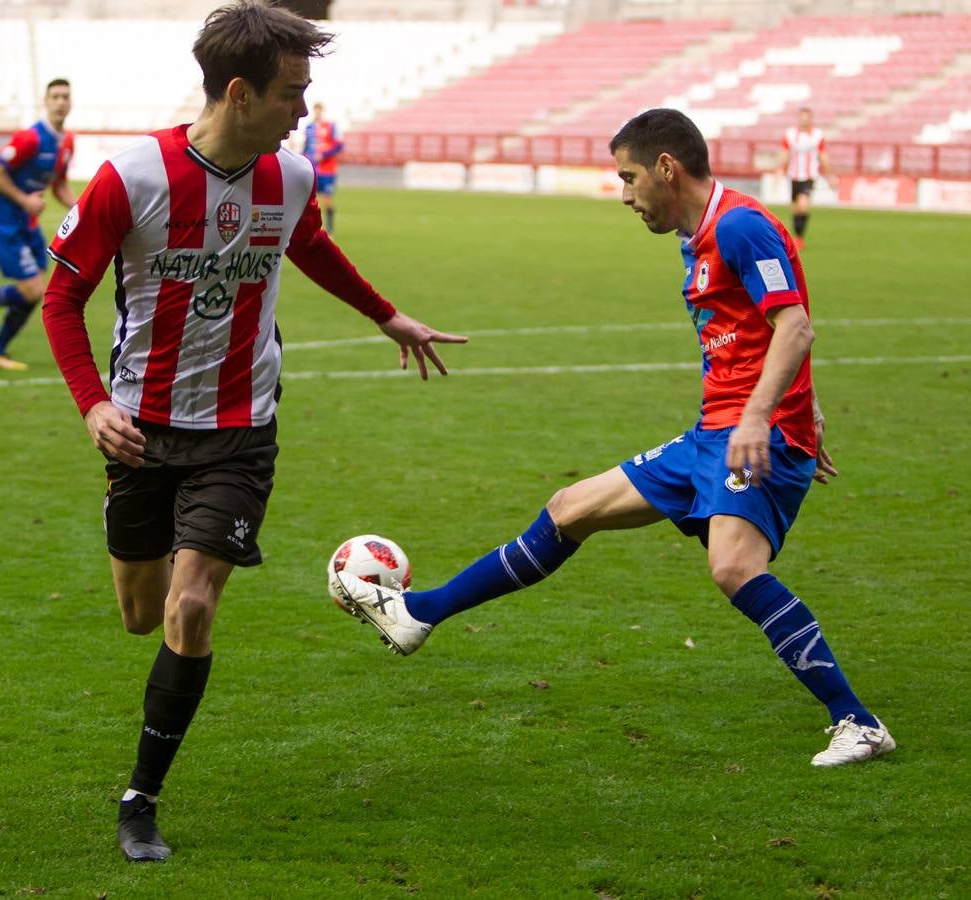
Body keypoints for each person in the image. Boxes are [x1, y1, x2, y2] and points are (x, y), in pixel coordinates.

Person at [334, 107, 895, 770]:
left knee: (735, 567)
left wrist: (768, 416)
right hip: (715, 433)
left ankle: (857, 722)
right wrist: (810, 408)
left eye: (629, 178)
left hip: (755, 435)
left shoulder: (741, 226)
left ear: (667, 167)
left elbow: (795, 325)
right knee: (570, 509)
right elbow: (768, 330)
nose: (625, 195)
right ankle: (418, 615)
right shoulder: (699, 239)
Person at [41, 0, 466, 863]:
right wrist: (93, 403)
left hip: (242, 430)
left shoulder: (292, 176)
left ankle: (140, 799)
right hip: (143, 430)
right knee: (140, 613)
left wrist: (389, 318)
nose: (303, 110)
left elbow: (309, 248)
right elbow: (61, 299)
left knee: (191, 606)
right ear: (239, 93)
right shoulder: (134, 178)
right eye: (290, 93)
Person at [0, 79, 76, 371]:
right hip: (4, 221)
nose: (60, 102)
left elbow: (59, 186)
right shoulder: (30, 138)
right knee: (34, 290)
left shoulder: (67, 142)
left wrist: (84, 207)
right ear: (45, 102)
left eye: (65, 97)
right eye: (55, 97)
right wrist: (24, 200)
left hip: (27, 223)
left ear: (71, 103)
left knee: (36, 290)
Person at [777, 106, 829, 248]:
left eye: (806, 118)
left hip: (809, 176)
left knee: (803, 206)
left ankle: (799, 239)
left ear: (810, 120)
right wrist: (780, 169)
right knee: (795, 209)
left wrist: (827, 173)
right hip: (793, 176)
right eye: (801, 118)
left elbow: (823, 155)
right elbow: (785, 152)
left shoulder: (817, 135)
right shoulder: (790, 134)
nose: (803, 121)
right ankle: (796, 236)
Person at [301, 102, 343, 234]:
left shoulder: (330, 126)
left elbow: (339, 146)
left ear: (322, 111)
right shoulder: (309, 127)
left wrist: (324, 155)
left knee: (327, 200)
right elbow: (306, 147)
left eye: (320, 110)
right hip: (313, 169)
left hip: (327, 170)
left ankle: (330, 229)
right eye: (316, 110)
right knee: (311, 201)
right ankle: (313, 228)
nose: (318, 112)